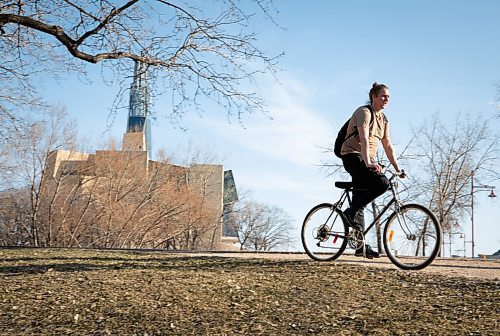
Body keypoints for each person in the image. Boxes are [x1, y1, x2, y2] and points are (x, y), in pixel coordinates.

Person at [340, 82, 401, 259]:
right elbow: (365, 139)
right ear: (373, 96)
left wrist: (398, 169)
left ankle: (360, 247)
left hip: (366, 159)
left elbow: (388, 145)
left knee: (360, 202)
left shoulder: (384, 120)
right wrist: (368, 163)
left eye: (388, 96)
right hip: (352, 156)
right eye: (383, 96)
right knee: (382, 183)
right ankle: (348, 213)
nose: (386, 99)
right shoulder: (364, 112)